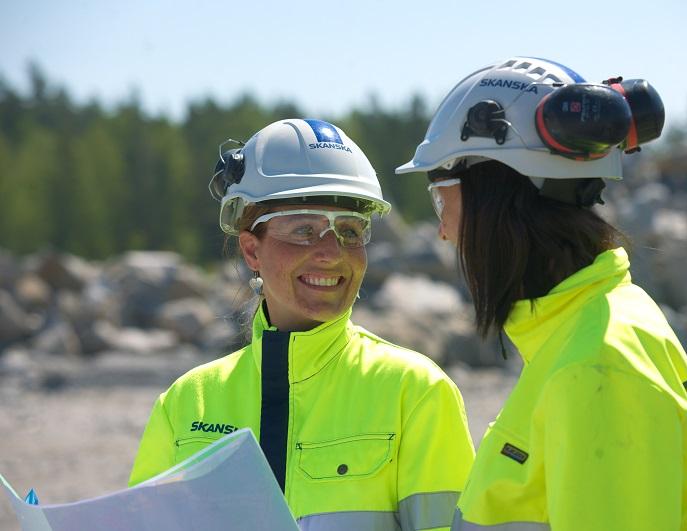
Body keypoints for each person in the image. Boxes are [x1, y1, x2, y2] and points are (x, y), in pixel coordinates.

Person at [396, 57, 687, 530]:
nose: (443, 232)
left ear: (497, 191)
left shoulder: (596, 366)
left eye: (441, 197)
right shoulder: (597, 324)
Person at [129, 118, 475, 530]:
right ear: (251, 250)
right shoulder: (185, 405)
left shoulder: (416, 393)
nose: (332, 253)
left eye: (350, 230)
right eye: (305, 230)